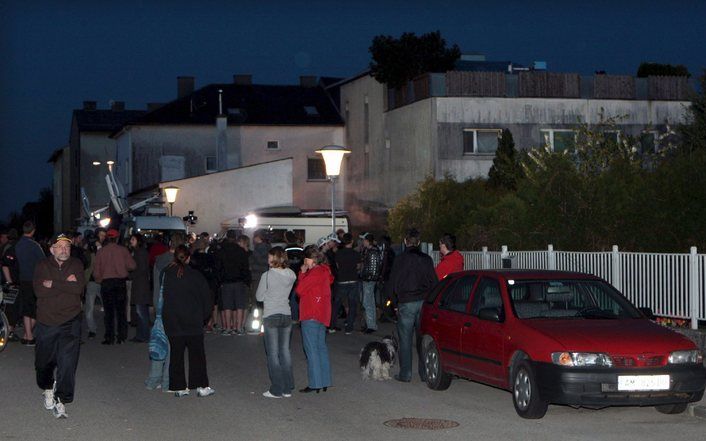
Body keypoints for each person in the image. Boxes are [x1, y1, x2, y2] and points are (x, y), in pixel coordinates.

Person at [33, 234, 86, 418]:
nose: (64, 250)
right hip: (46, 321)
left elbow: (78, 289)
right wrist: (66, 284)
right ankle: (47, 387)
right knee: (43, 363)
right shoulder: (42, 266)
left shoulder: (76, 265)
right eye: (60, 246)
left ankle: (61, 399)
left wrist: (53, 284)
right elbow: (39, 291)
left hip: (70, 321)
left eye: (67, 247)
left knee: (68, 363)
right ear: (52, 249)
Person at [385, 228, 437, 383]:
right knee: (422, 338)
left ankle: (405, 374)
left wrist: (393, 303)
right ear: (419, 242)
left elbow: (392, 283)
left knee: (405, 339)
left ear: (405, 242)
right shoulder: (426, 259)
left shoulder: (399, 259)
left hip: (406, 303)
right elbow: (434, 282)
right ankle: (424, 373)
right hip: (423, 303)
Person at [162, 245, 214, 397]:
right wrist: (204, 316)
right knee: (197, 354)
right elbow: (207, 298)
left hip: (173, 320)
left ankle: (179, 386)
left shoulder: (167, 274)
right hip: (193, 320)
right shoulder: (196, 276)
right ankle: (200, 386)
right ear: (189, 258)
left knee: (176, 354)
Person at [145, 232, 186, 391]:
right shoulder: (177, 263)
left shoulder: (159, 259)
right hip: (172, 306)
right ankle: (167, 381)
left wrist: (154, 303)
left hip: (159, 304)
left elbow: (155, 282)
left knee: (159, 343)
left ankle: (153, 379)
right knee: (172, 345)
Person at [256, 247, 296, 398]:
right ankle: (288, 387)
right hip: (286, 314)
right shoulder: (291, 274)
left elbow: (259, 297)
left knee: (272, 354)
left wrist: (269, 294)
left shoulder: (267, 276)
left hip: (271, 315)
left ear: (274, 258)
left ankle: (276, 389)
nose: (267, 260)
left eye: (269, 257)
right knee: (285, 352)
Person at [295, 245, 333, 394]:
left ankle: (315, 383)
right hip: (322, 313)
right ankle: (324, 381)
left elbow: (299, 290)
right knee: (321, 348)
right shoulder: (325, 271)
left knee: (312, 350)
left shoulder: (315, 272)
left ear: (313, 259)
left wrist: (302, 273)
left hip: (311, 312)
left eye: (306, 259)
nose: (305, 263)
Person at [93, 229, 136, 345]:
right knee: (121, 312)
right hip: (120, 283)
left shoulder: (101, 252)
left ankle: (109, 337)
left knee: (108, 312)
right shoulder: (123, 250)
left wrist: (99, 279)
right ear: (117, 238)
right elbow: (132, 265)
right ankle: (121, 337)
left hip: (106, 283)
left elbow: (96, 271)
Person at [14, 221, 46, 346]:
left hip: (23, 279)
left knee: (27, 309)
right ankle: (29, 336)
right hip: (35, 280)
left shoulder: (18, 245)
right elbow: (43, 263)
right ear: (33, 231)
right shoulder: (34, 245)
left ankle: (27, 335)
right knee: (38, 309)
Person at [214, 230, 250, 335]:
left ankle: (228, 328)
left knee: (227, 305)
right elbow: (245, 267)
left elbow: (218, 267)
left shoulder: (221, 251)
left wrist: (219, 280)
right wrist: (246, 280)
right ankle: (238, 328)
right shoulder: (241, 251)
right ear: (235, 238)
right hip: (239, 280)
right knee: (240, 305)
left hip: (225, 281)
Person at [331, 233, 360, 335]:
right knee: (352, 304)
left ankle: (332, 325)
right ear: (352, 241)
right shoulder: (356, 253)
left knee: (337, 304)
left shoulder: (338, 253)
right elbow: (358, 267)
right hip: (353, 281)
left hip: (342, 281)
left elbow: (338, 266)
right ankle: (349, 327)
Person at [128, 233, 151, 343]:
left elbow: (141, 269)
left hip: (140, 286)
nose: (131, 241)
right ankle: (141, 334)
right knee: (141, 311)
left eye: (133, 239)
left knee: (141, 312)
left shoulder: (140, 252)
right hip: (140, 285)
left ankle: (143, 335)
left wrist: (130, 275)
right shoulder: (139, 252)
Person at [359, 233, 382, 334]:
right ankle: (371, 324)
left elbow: (372, 269)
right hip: (369, 280)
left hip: (368, 280)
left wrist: (367, 278)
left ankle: (371, 325)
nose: (362, 242)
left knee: (367, 302)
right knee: (369, 302)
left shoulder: (372, 252)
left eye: (364, 240)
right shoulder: (371, 251)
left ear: (367, 241)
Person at [1, 228, 21, 342]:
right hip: (9, 283)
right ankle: (8, 332)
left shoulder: (8, 247)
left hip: (9, 282)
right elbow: (5, 265)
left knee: (9, 307)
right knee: (10, 307)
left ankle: (8, 331)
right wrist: (9, 281)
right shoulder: (10, 248)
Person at [250, 229, 271, 308]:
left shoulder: (260, 248)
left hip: (258, 275)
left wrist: (252, 265)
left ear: (258, 237)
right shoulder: (268, 247)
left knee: (256, 296)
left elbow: (259, 261)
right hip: (265, 275)